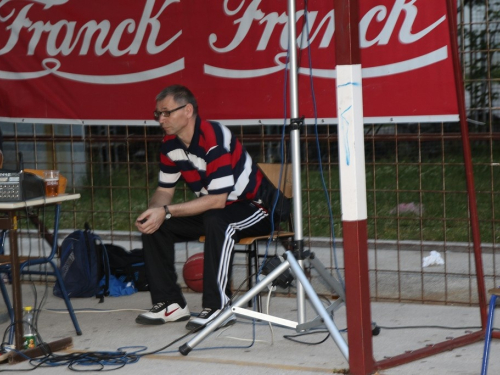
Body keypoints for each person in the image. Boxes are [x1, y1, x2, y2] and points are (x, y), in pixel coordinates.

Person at [135, 84, 275, 330]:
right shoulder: (170, 144)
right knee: (156, 227)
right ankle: (170, 304)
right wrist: (154, 212)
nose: (161, 119)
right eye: (158, 114)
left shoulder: (214, 136)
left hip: (255, 208)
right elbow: (164, 191)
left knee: (218, 221)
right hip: (215, 210)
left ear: (187, 110)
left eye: (166, 112)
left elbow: (218, 200)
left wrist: (166, 211)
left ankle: (219, 308)